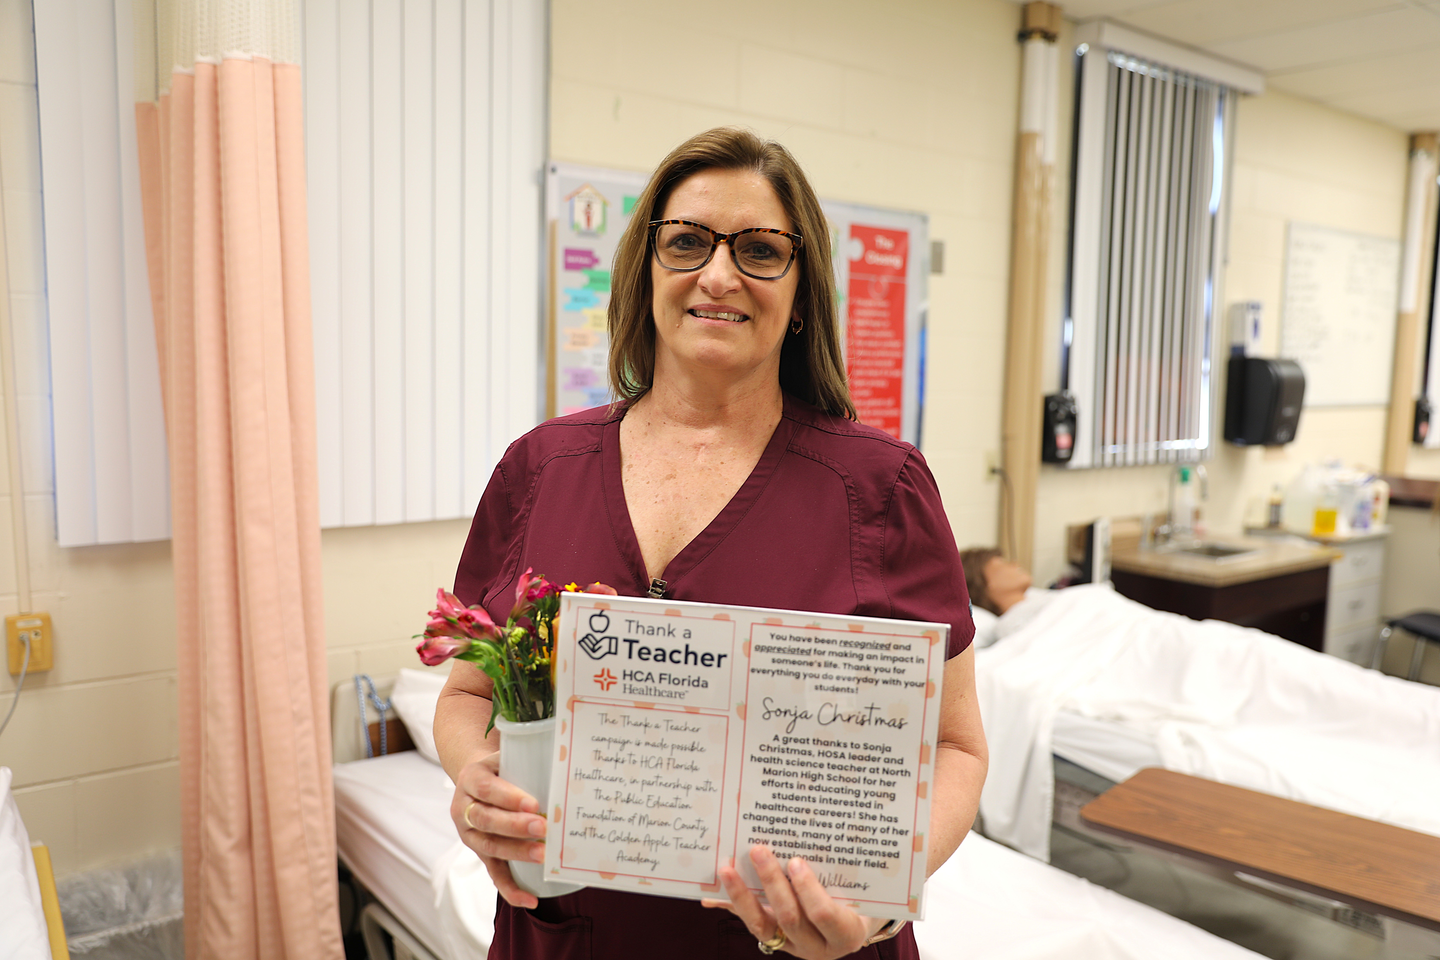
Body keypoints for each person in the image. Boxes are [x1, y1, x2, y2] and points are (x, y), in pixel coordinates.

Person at [434, 127, 988, 960]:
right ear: (646, 270)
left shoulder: (880, 489)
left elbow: (954, 745)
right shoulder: (541, 468)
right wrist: (475, 781)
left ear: (801, 294)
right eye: (688, 241)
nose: (719, 274)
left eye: (761, 250)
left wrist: (872, 907)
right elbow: (470, 696)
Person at [958, 548, 1034, 616]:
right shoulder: (1018, 624)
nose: (1016, 564)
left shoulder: (1039, 607)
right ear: (984, 582)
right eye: (1004, 563)